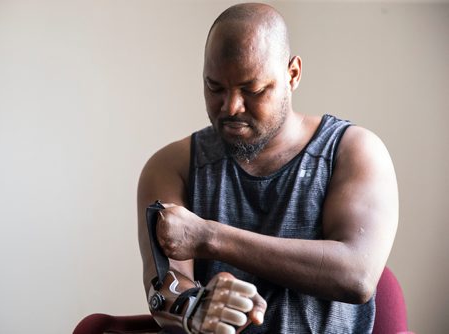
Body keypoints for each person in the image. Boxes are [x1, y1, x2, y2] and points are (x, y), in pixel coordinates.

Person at [137, 3, 398, 333]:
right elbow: (165, 291)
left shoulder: (352, 151)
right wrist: (194, 309)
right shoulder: (173, 166)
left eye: (253, 89)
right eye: (215, 87)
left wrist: (209, 237)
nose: (231, 106)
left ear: (293, 74)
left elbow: (356, 275)